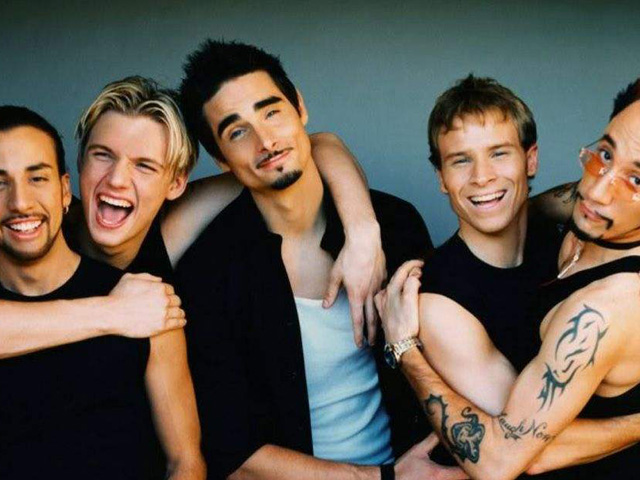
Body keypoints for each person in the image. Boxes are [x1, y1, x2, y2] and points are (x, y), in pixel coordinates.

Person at [175, 39, 466, 480]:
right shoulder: (210, 271)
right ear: (220, 159)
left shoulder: (393, 223)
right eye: (237, 132)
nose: (265, 140)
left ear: (300, 108)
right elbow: (231, 452)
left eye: (271, 112)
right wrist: (383, 478)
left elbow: (451, 361)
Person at [0, 75, 384, 358]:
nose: (117, 180)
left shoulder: (174, 226)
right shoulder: (34, 223)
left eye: (145, 165)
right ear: (78, 165)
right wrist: (113, 312)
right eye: (103, 155)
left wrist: (363, 232)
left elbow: (315, 145)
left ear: (176, 183)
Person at [376, 79, 640, 479]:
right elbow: (518, 452)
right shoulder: (438, 305)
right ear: (441, 177)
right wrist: (404, 348)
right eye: (460, 160)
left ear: (530, 160)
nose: (482, 176)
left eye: (499, 154)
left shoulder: (573, 222)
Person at [0, 106, 204, 479]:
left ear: (65, 190)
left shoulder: (149, 306)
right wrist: (115, 313)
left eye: (37, 178)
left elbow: (186, 463)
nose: (20, 202)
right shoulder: (133, 309)